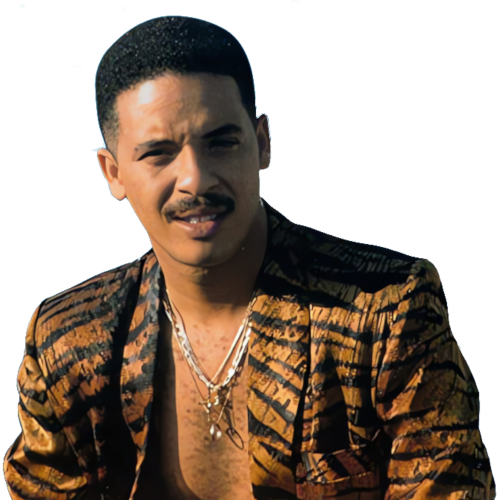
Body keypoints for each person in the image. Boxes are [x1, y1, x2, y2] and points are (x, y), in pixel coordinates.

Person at [2, 15, 496, 500]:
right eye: (158, 153)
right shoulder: (66, 342)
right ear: (113, 173)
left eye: (220, 143)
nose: (195, 180)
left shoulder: (386, 312)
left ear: (261, 144)